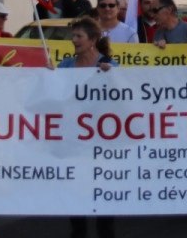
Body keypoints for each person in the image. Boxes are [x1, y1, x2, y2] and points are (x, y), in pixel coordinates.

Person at [57, 16, 115, 238]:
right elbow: (55, 93)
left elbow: (122, 95)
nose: (74, 40)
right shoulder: (65, 66)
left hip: (101, 140)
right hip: (74, 138)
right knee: (75, 190)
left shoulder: (109, 65)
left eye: (78, 36)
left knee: (103, 191)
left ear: (92, 40)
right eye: (73, 36)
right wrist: (48, 76)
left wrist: (113, 77)